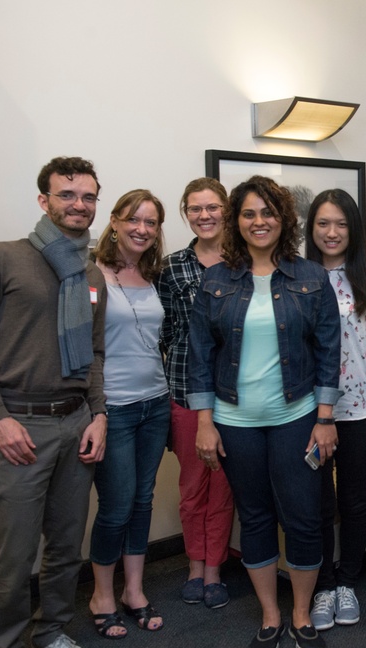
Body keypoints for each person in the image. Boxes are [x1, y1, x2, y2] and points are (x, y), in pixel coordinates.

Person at [0, 156, 107, 648]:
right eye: (67, 194)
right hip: (15, 425)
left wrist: (99, 415)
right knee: (14, 553)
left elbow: (95, 352)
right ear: (43, 200)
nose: (78, 205)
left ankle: (50, 636)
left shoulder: (92, 274)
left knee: (67, 546)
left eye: (88, 196)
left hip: (75, 425)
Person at [188, 175, 341, 648]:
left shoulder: (311, 277)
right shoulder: (216, 280)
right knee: (254, 517)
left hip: (297, 416)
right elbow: (198, 356)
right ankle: (271, 616)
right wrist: (205, 422)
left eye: (268, 212)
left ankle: (300, 613)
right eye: (249, 213)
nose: (259, 222)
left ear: (283, 219)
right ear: (238, 221)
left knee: (302, 517)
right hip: (235, 422)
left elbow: (329, 351)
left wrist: (325, 417)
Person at [304, 189, 366, 628]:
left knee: (356, 499)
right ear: (311, 228)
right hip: (310, 411)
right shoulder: (297, 277)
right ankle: (322, 585)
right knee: (319, 503)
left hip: (361, 409)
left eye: (341, 224)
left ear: (354, 230)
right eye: (323, 223)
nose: (332, 232)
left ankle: (346, 582)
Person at [87, 190, 171, 639]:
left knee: (142, 500)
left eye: (151, 222)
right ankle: (101, 594)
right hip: (113, 408)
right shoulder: (88, 271)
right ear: (115, 221)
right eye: (133, 219)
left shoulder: (153, 273)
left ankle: (133, 591)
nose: (142, 228)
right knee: (116, 506)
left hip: (155, 403)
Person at [156, 178, 234, 609]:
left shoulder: (244, 262)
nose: (204, 216)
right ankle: (193, 566)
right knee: (192, 487)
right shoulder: (171, 267)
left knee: (222, 489)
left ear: (226, 209)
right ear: (186, 213)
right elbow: (164, 333)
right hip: (185, 391)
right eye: (195, 209)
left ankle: (215, 569)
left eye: (212, 207)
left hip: (236, 397)